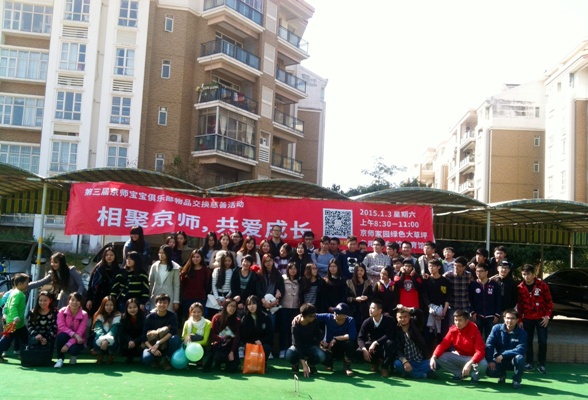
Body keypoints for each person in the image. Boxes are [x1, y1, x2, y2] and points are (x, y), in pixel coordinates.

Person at [430, 309, 487, 383]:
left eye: (460, 320)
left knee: (483, 364)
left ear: (466, 321)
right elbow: (443, 345)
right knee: (440, 356)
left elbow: (480, 351)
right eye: (455, 320)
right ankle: (459, 374)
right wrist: (433, 357)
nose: (457, 323)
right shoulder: (452, 330)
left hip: (472, 358)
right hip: (459, 356)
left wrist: (470, 363)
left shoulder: (474, 330)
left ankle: (474, 377)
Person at [517, 264, 552, 374]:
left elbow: (549, 302)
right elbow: (520, 306)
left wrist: (547, 316)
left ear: (533, 274)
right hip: (527, 318)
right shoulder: (520, 287)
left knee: (542, 341)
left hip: (541, 318)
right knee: (528, 341)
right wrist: (520, 320)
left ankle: (541, 364)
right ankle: (529, 362)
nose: (526, 277)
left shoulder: (542, 285)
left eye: (528, 274)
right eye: (524, 274)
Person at [485, 309, 527, 389]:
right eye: (508, 318)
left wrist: (503, 355)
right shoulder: (496, 328)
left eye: (512, 318)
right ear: (504, 318)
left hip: (513, 360)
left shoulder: (522, 333)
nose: (509, 321)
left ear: (517, 320)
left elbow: (521, 349)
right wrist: (490, 360)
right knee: (490, 371)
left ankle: (516, 380)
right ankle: (502, 375)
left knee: (520, 358)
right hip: (498, 359)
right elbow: (489, 344)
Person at [142, 293, 182, 370]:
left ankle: (167, 360)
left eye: (165, 303)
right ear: (156, 304)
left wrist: (158, 343)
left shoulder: (172, 316)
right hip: (152, 343)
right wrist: (152, 348)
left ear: (168, 304)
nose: (162, 305)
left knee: (175, 339)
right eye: (160, 302)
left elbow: (173, 331)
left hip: (165, 342)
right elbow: (144, 336)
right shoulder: (149, 317)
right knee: (146, 359)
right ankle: (156, 359)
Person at [285, 303, 326, 377]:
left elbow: (318, 334)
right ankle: (295, 364)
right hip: (298, 346)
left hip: (310, 345)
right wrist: (304, 365)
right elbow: (297, 344)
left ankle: (311, 364)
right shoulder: (295, 325)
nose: (315, 317)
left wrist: (319, 342)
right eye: (313, 316)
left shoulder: (314, 320)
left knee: (321, 355)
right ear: (307, 316)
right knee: (289, 354)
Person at [316, 302, 356, 376]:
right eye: (335, 311)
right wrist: (300, 316)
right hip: (328, 347)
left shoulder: (350, 320)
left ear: (344, 316)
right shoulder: (328, 317)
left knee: (350, 343)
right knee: (321, 353)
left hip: (341, 347)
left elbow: (352, 336)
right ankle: (329, 364)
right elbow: (313, 316)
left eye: (338, 312)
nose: (335, 313)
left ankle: (347, 367)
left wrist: (335, 338)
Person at [356, 301, 395, 377]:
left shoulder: (389, 320)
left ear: (380, 311)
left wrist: (375, 342)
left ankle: (385, 367)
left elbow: (389, 334)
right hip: (371, 346)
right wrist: (363, 349)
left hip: (384, 345)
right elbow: (360, 338)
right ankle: (374, 363)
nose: (370, 310)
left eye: (373, 308)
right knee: (359, 352)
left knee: (390, 343)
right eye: (370, 308)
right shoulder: (367, 322)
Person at [394, 306, 435, 379]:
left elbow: (420, 313)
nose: (403, 319)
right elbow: (397, 349)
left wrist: (406, 308)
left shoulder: (415, 324)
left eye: (405, 317)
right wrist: (405, 361)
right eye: (400, 317)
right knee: (397, 364)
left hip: (420, 360)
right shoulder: (395, 330)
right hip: (406, 361)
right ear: (397, 318)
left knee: (436, 363)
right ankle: (423, 375)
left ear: (410, 317)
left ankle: (409, 373)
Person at [86, 245, 126, 317]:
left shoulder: (118, 271)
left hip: (112, 300)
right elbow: (91, 285)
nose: (109, 257)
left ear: (115, 256)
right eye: (107, 255)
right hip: (98, 299)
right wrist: (89, 299)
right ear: (104, 256)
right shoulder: (98, 269)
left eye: (111, 255)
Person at [204, 297, 241, 373]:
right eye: (230, 306)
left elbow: (236, 338)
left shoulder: (237, 321)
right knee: (218, 356)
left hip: (231, 346)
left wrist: (232, 351)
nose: (232, 308)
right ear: (225, 306)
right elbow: (212, 334)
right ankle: (216, 362)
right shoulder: (216, 318)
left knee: (233, 369)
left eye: (234, 306)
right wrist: (221, 339)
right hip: (219, 345)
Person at [422, 259, 451, 352]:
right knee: (428, 334)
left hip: (442, 311)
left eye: (433, 266)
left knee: (442, 334)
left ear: (438, 267)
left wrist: (445, 310)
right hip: (429, 311)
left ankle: (442, 354)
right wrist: (430, 306)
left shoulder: (445, 281)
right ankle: (429, 354)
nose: (431, 268)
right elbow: (424, 295)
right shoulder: (426, 281)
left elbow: (448, 296)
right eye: (429, 266)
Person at [0, 273, 29, 361]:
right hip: (14, 323)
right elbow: (13, 306)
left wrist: (5, 314)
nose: (28, 285)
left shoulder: (14, 292)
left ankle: (25, 354)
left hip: (18, 323)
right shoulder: (18, 294)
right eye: (26, 283)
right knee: (7, 340)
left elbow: (7, 305)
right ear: (20, 284)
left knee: (25, 337)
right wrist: (15, 316)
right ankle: (24, 354)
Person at [54, 292, 88, 368]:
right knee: (61, 336)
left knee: (74, 349)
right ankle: (60, 359)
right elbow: (61, 327)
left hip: (78, 339)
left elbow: (80, 332)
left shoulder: (84, 314)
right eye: (72, 300)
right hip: (67, 335)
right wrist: (74, 335)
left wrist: (67, 344)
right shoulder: (62, 311)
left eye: (77, 300)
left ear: (81, 302)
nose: (74, 302)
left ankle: (73, 355)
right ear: (68, 301)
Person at [469, 263, 501, 339]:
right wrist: (472, 312)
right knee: (477, 337)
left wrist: (497, 314)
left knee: (490, 337)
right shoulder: (473, 284)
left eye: (481, 271)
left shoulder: (494, 284)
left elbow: (498, 300)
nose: (478, 273)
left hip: (491, 316)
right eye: (477, 271)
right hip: (477, 315)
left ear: (486, 272)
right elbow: (470, 299)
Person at [148, 244, 181, 312]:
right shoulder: (154, 266)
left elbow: (176, 285)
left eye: (163, 253)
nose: (160, 255)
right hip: (155, 295)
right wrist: (149, 296)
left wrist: (176, 301)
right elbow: (150, 282)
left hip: (169, 296)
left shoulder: (175, 267)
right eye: (159, 253)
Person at [240, 295, 273, 360]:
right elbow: (243, 336)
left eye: (254, 304)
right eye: (249, 304)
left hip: (262, 344)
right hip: (249, 344)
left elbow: (270, 335)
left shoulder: (265, 317)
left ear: (258, 304)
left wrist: (261, 341)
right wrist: (253, 342)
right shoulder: (245, 318)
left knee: (266, 348)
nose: (251, 306)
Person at [278, 263, 301, 358]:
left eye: (295, 268)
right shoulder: (283, 279)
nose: (293, 270)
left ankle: (292, 349)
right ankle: (283, 349)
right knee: (284, 329)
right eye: (291, 268)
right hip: (284, 307)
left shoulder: (299, 281)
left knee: (293, 329)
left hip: (295, 308)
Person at [180, 249, 210, 320]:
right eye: (193, 257)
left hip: (201, 298)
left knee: (200, 318)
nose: (195, 259)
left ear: (201, 258)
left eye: (197, 257)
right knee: (188, 318)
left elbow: (207, 285)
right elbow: (182, 284)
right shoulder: (186, 270)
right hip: (188, 298)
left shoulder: (205, 270)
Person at [92, 295, 121, 364]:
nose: (109, 307)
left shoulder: (118, 315)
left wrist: (107, 340)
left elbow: (114, 329)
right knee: (95, 341)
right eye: (107, 305)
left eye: (111, 305)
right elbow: (98, 329)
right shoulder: (98, 315)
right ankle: (99, 354)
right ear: (103, 305)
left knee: (115, 342)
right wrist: (103, 340)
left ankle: (111, 354)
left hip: (112, 338)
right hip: (101, 338)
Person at [257, 253, 284, 325]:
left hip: (273, 304)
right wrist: (263, 301)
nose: (268, 263)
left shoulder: (277, 274)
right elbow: (258, 289)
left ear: (273, 261)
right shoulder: (259, 274)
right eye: (266, 261)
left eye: (270, 260)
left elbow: (281, 288)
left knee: (271, 325)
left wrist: (277, 300)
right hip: (262, 304)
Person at [443, 256, 472, 322]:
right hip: (452, 305)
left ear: (464, 267)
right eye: (455, 265)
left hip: (465, 304)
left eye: (459, 266)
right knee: (453, 325)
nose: (456, 267)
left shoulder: (469, 275)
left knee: (466, 324)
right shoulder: (448, 275)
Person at [345, 263, 372, 332]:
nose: (359, 272)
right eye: (358, 270)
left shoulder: (368, 283)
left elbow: (372, 296)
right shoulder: (349, 282)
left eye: (361, 270)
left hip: (364, 311)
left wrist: (366, 297)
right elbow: (346, 297)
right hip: (353, 310)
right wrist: (355, 299)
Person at [119, 298, 145, 364]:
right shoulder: (123, 317)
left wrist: (135, 341)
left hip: (140, 341)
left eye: (135, 307)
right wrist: (130, 340)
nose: (132, 310)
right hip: (129, 341)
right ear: (126, 308)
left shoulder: (144, 317)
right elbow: (123, 332)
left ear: (138, 307)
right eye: (130, 307)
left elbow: (144, 333)